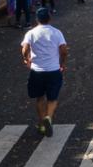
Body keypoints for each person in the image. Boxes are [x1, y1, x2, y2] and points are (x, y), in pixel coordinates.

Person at [21, 8, 68, 137]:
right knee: (53, 98)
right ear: (50, 18)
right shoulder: (57, 33)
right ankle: (49, 117)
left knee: (40, 97)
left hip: (37, 71)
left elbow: (25, 49)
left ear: (37, 19)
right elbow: (63, 50)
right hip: (53, 70)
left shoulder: (31, 33)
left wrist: (27, 59)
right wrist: (62, 63)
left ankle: (42, 122)